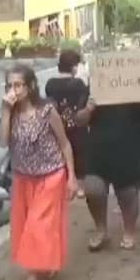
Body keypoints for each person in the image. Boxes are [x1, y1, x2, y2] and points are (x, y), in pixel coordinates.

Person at [0, 64, 78, 280]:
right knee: (25, 227)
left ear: (31, 86)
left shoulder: (47, 111)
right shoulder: (11, 113)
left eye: (18, 85)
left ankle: (32, 278)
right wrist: (5, 111)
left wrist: (72, 177)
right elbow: (3, 142)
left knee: (38, 226)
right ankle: (45, 263)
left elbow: (65, 144)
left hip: (51, 175)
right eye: (9, 86)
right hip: (23, 178)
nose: (13, 90)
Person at [81, 93, 140, 251]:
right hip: (98, 148)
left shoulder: (138, 88)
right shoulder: (95, 87)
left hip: (129, 147)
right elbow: (79, 120)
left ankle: (129, 231)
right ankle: (101, 230)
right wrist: (88, 109)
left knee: (128, 193)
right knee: (93, 189)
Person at [45, 49, 89, 198]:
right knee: (79, 156)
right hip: (76, 129)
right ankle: (79, 187)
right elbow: (83, 104)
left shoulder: (50, 84)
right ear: (75, 67)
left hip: (56, 128)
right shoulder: (79, 84)